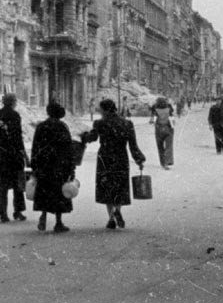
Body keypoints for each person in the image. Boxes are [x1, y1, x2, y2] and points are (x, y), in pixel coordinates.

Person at [81, 98, 146, 230]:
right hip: (121, 157)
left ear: (105, 110)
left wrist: (83, 137)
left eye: (100, 110)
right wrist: (139, 159)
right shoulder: (127, 123)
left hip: (105, 158)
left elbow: (92, 138)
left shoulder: (100, 123)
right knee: (119, 185)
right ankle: (118, 210)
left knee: (107, 187)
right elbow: (133, 145)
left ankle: (111, 217)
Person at [30, 101, 76, 233]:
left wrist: (34, 166)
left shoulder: (41, 127)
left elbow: (35, 147)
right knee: (58, 194)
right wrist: (71, 168)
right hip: (59, 166)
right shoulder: (62, 127)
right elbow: (69, 149)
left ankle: (43, 216)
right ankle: (58, 222)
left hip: (44, 165)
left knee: (45, 192)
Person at [0, 91, 28, 223]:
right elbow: (18, 137)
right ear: (13, 103)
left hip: (0, 151)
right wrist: (25, 155)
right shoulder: (15, 115)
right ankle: (18, 212)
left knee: (1, 185)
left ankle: (3, 214)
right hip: (14, 152)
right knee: (18, 183)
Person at [149, 97, 175, 169]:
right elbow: (172, 118)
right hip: (168, 128)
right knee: (169, 146)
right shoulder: (169, 107)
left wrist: (152, 121)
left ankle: (163, 163)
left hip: (159, 129)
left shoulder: (155, 108)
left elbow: (152, 120)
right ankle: (167, 161)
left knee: (160, 147)